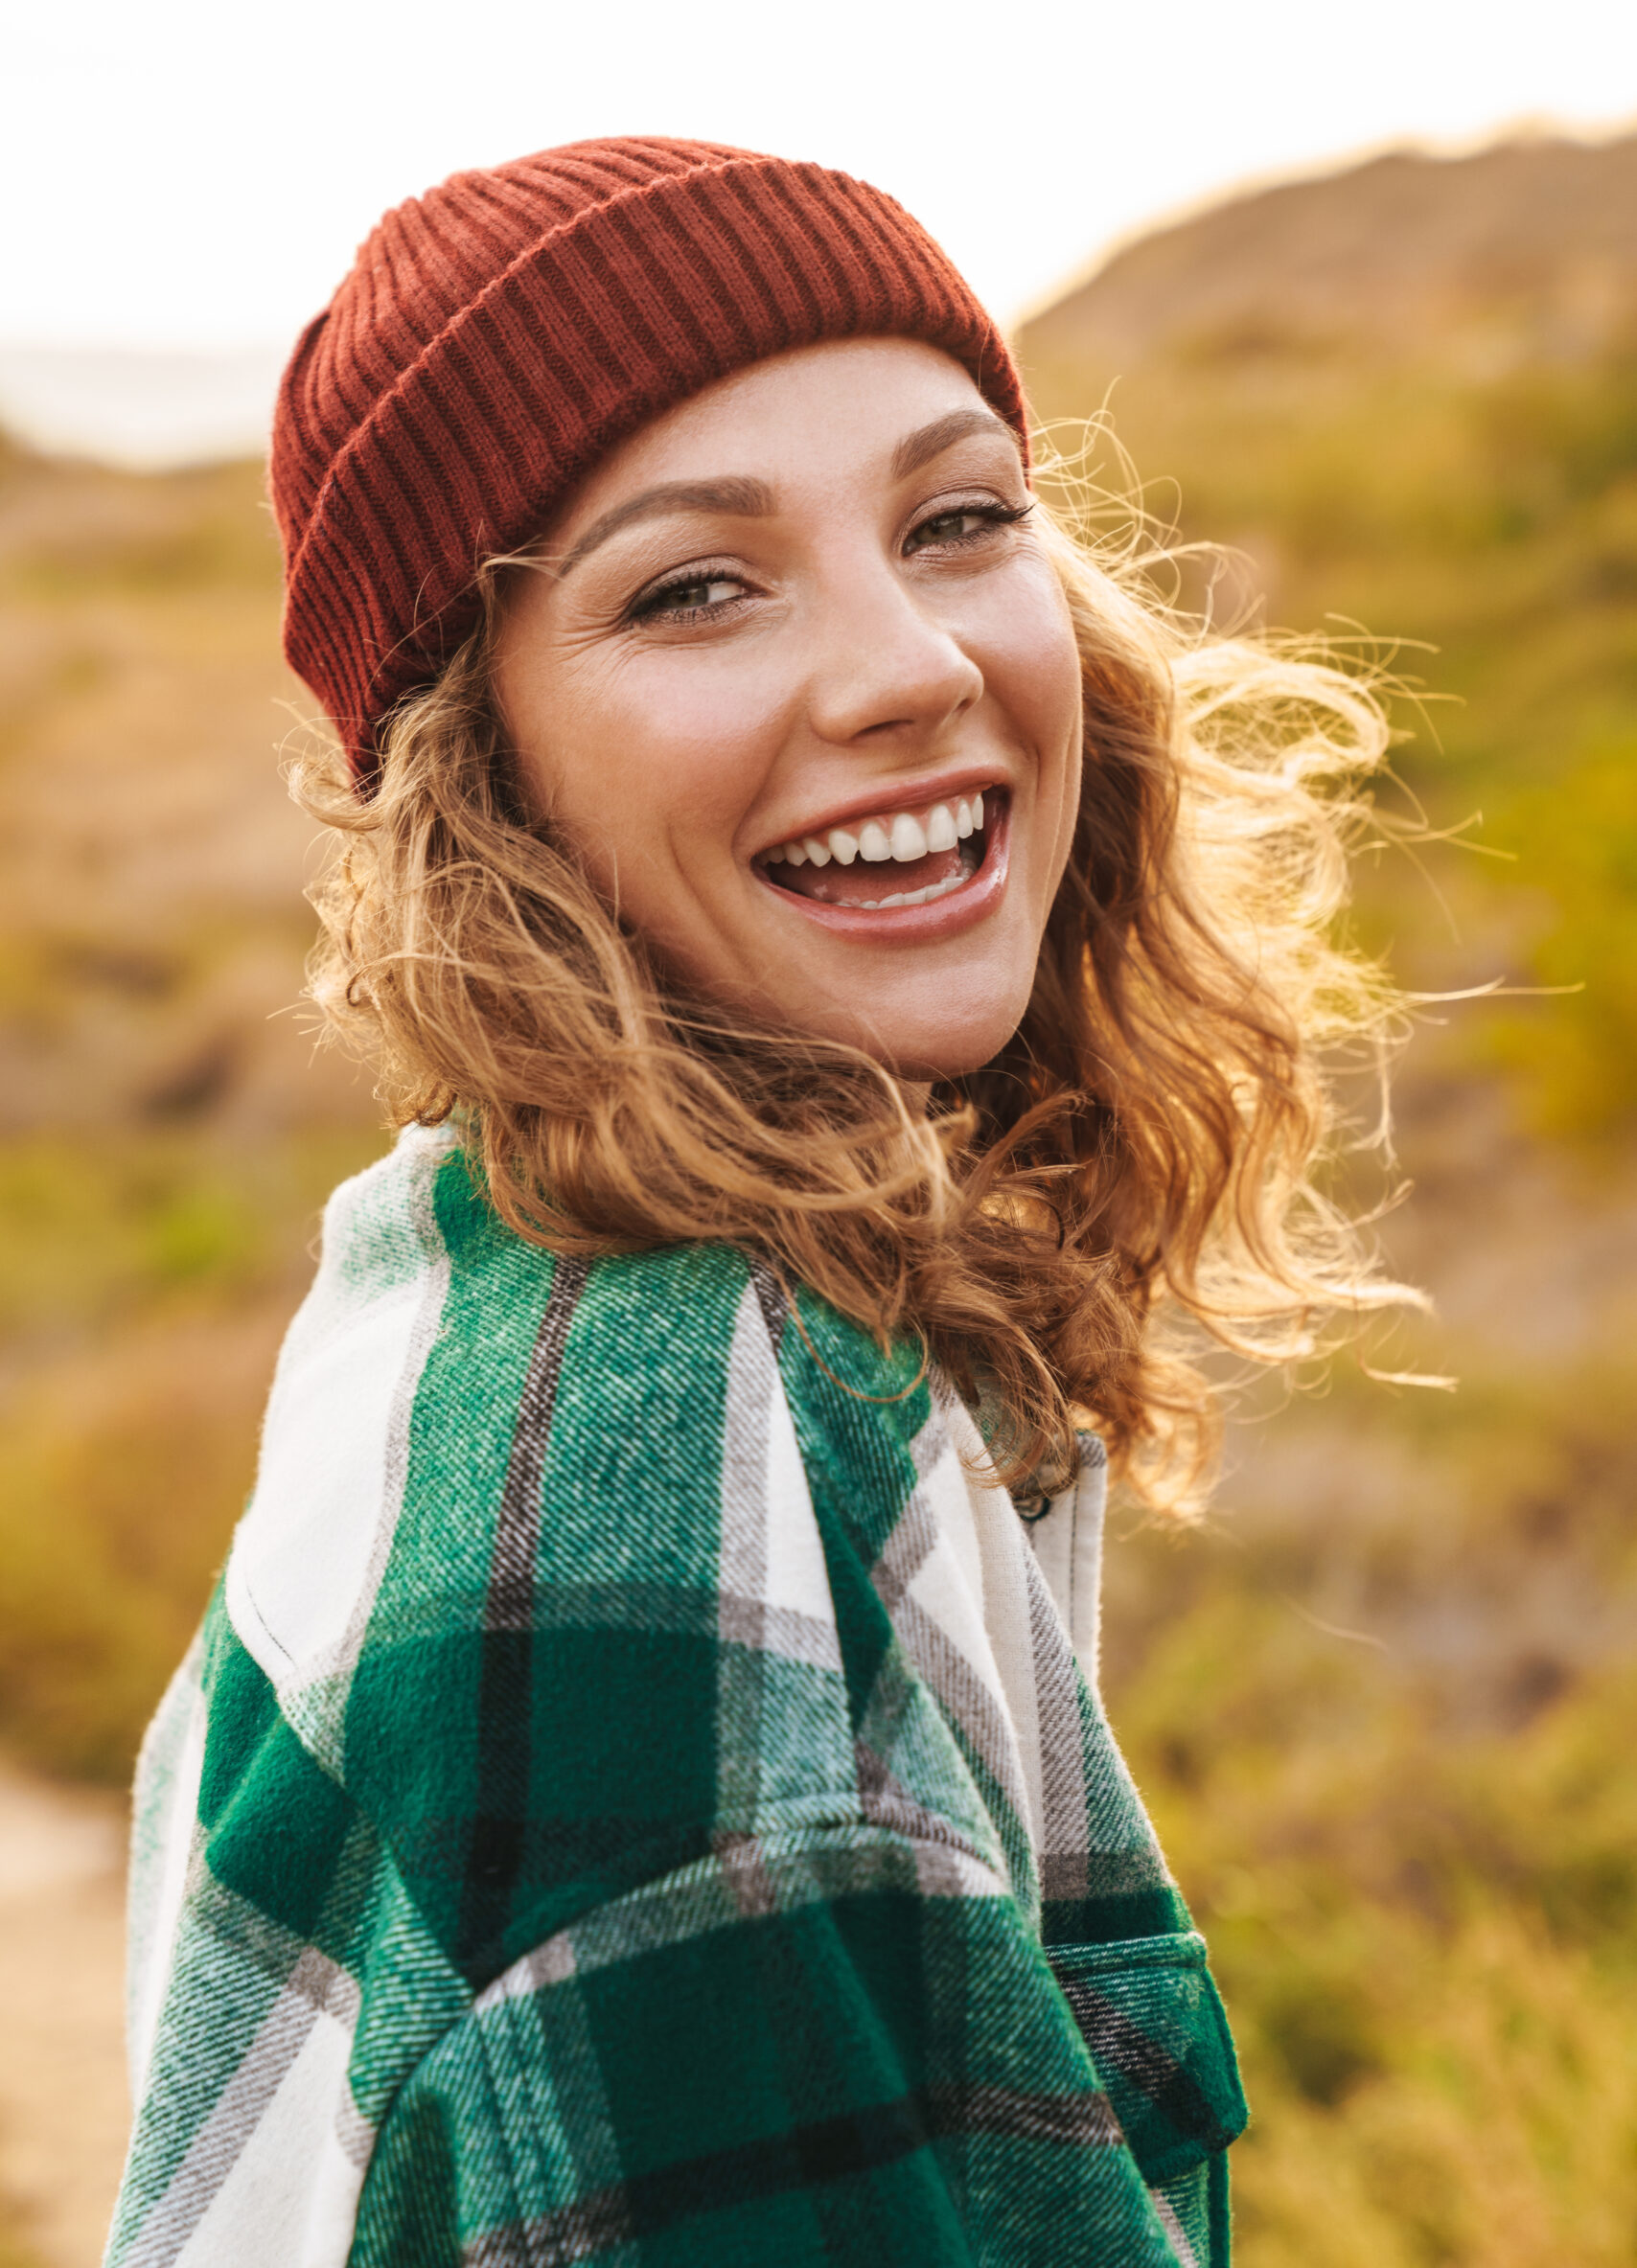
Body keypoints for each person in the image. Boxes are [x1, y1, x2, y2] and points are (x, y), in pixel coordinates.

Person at [104, 138, 1402, 2267]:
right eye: (695, 586)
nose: (911, 666)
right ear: (477, 772)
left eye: (958, 519)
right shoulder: (672, 1567)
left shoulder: (473, 1266)